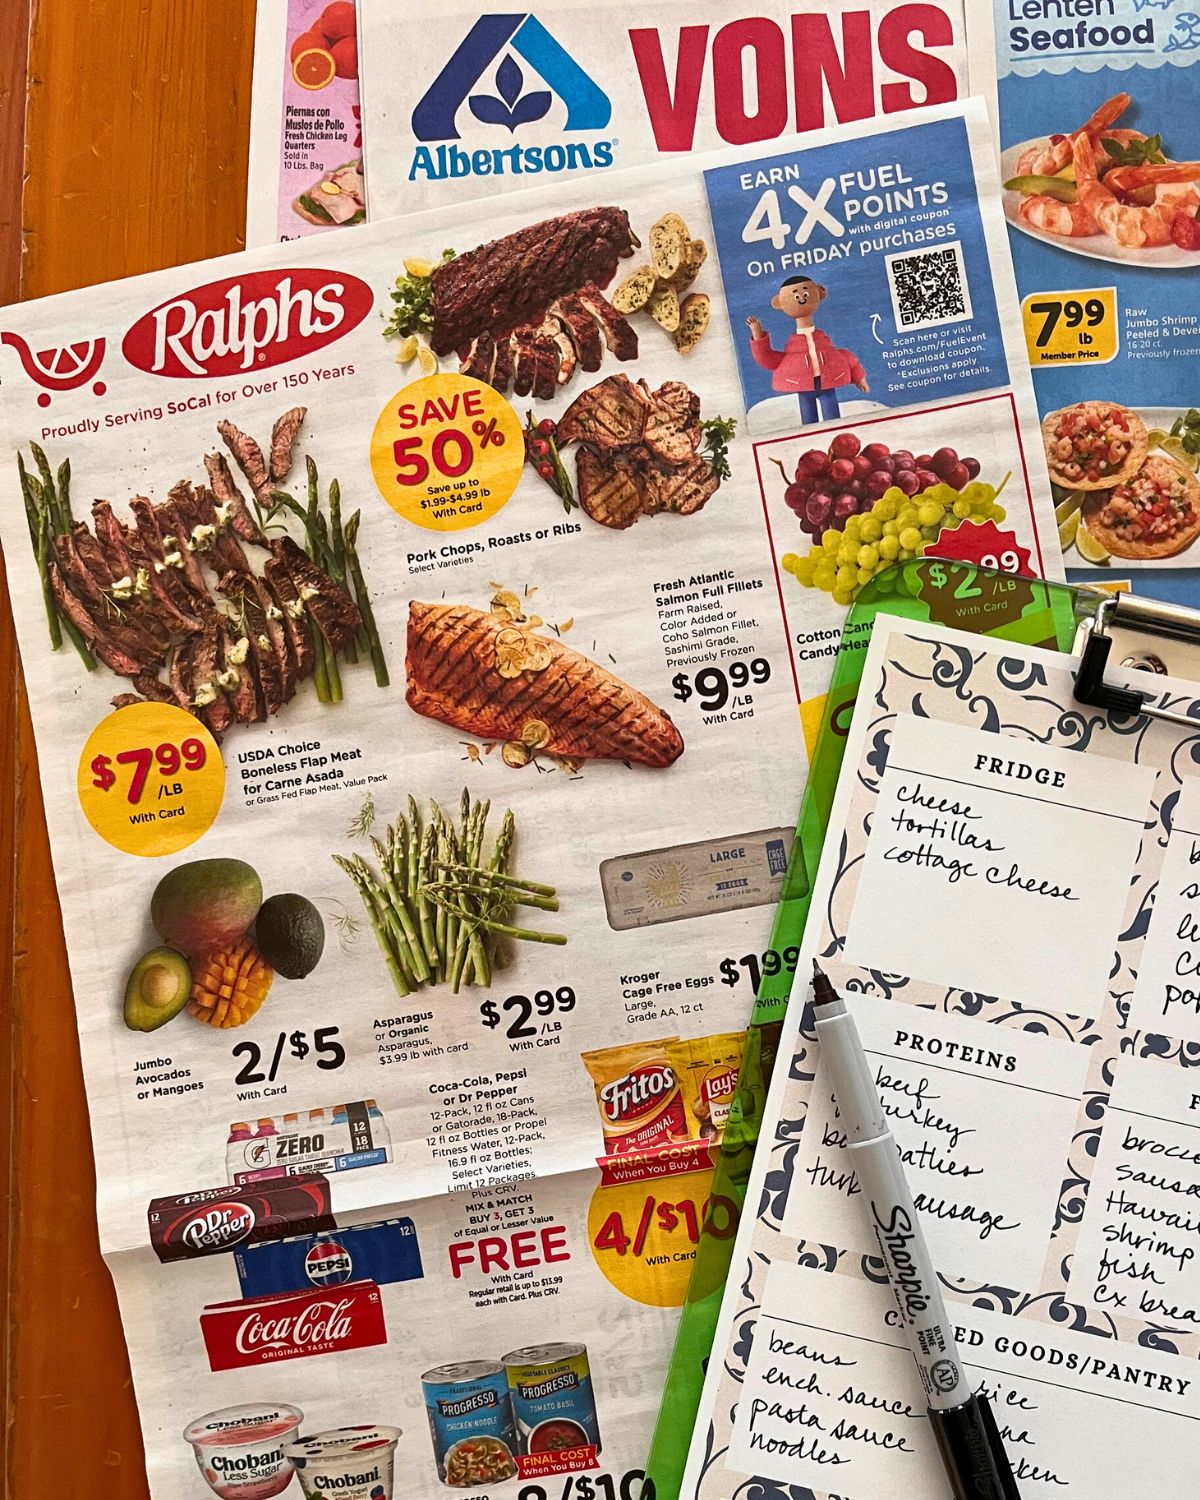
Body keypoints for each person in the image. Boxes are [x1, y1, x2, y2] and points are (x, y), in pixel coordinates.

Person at [747, 275, 869, 425]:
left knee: (833, 419)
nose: (801, 298)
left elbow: (848, 359)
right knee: (809, 421)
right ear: (779, 303)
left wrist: (859, 378)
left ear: (819, 293)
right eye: (794, 295)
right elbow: (766, 359)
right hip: (804, 390)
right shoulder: (791, 355)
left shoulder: (826, 346)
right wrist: (757, 333)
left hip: (828, 386)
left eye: (805, 293)